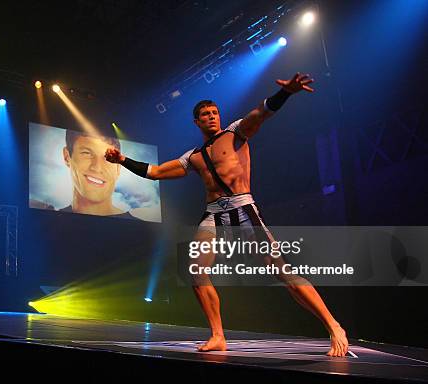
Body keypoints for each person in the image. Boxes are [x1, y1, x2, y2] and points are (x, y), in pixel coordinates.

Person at [105, 73, 349, 357]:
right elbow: (156, 172)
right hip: (213, 215)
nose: (212, 117)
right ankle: (218, 335)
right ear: (196, 122)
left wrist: (288, 93)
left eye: (214, 112)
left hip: (243, 209)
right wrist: (122, 159)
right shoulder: (193, 156)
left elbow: (261, 112)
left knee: (281, 271)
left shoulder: (235, 133)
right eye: (205, 115)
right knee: (196, 271)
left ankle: (334, 326)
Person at [61, 130, 137, 219]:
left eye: (108, 158)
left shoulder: (140, 230)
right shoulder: (52, 220)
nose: (97, 168)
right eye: (87, 153)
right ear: (67, 157)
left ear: (118, 168)